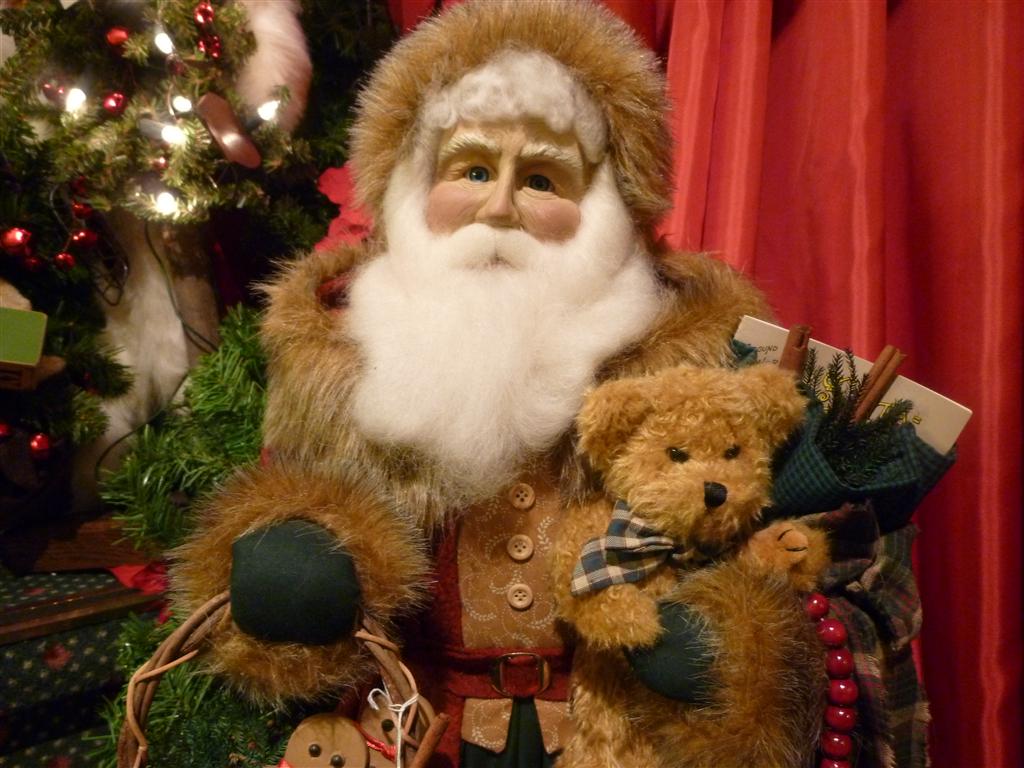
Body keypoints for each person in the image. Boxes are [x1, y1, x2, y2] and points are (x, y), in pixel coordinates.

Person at [173, 2, 826, 765]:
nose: (499, 205)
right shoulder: (337, 365)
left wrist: (730, 639)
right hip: (429, 729)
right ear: (413, 184)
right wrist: (299, 576)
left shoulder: (701, 355)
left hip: (613, 727)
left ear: (607, 203)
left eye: (541, 177)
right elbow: (302, 550)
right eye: (474, 169)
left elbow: (797, 561)